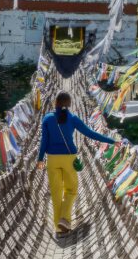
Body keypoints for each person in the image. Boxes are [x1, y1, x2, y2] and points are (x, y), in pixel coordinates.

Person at [37, 92, 116, 233]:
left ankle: (59, 227)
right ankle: (64, 219)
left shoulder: (47, 118)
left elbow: (44, 141)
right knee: (71, 190)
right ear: (69, 104)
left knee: (56, 193)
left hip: (52, 159)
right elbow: (90, 133)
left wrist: (40, 159)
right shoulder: (72, 118)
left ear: (55, 103)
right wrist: (111, 141)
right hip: (69, 158)